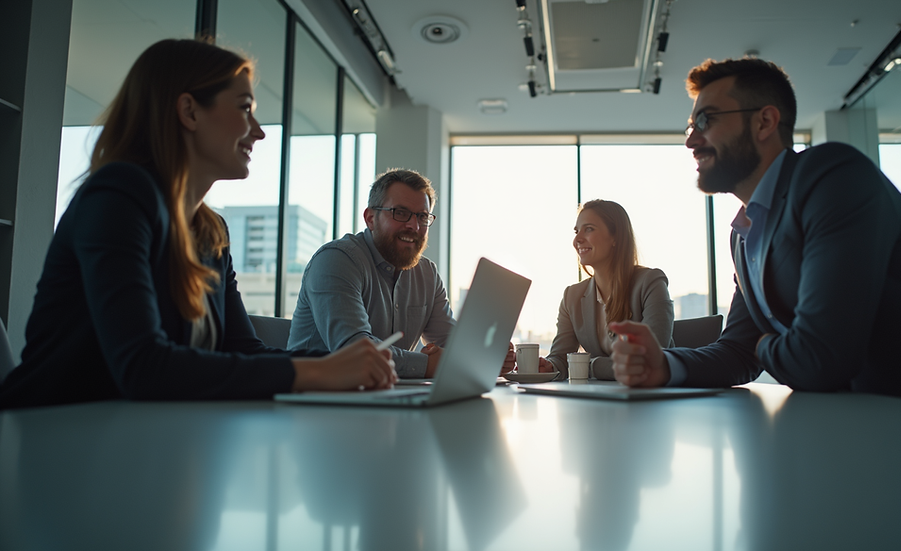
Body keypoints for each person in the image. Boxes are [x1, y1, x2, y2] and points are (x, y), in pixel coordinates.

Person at [0, 39, 396, 410]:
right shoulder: (119, 194)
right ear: (189, 111)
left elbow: (243, 353)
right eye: (244, 108)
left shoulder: (210, 232)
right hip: (46, 443)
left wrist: (346, 361)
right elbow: (144, 367)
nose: (258, 131)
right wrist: (321, 372)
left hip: (138, 443)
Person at [611, 57, 901, 405]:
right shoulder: (743, 233)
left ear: (764, 122)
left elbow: (821, 358)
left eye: (706, 121)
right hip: (891, 421)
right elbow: (738, 349)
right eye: (691, 128)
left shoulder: (832, 176)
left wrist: (765, 344)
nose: (691, 142)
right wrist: (665, 363)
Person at [287, 169, 517, 378]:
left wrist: (487, 354)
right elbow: (355, 347)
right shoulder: (336, 260)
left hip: (386, 399)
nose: (414, 226)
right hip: (316, 405)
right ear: (370, 218)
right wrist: (428, 364)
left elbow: (449, 341)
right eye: (400, 213)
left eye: (422, 217)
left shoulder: (427, 273)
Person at [540, 200, 673, 380]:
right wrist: (549, 366)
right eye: (576, 231)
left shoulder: (650, 283)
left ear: (615, 237)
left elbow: (649, 359)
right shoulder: (572, 297)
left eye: (589, 229)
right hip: (602, 398)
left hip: (652, 396)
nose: (577, 239)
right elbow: (561, 359)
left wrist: (584, 366)